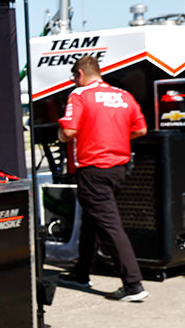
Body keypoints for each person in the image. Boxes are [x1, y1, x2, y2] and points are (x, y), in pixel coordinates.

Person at [58, 55, 148, 302]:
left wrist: (62, 134)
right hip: (118, 169)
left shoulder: (79, 95)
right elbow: (140, 129)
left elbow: (68, 132)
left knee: (109, 226)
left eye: (73, 77)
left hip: (92, 169)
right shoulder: (123, 95)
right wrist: (114, 139)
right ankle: (81, 273)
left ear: (79, 74)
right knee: (92, 221)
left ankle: (133, 285)